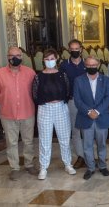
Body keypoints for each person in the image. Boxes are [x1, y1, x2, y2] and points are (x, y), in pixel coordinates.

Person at [0, 46, 38, 180]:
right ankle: (14, 168)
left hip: (27, 112)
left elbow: (35, 91)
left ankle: (29, 164)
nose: (15, 58)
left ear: (22, 57)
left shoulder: (30, 73)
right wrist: (6, 102)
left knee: (28, 141)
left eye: (18, 55)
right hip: (8, 114)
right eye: (12, 56)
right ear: (8, 57)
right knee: (11, 142)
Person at [32, 49, 76, 180]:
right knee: (45, 140)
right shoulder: (38, 76)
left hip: (61, 107)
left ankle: (68, 164)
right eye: (47, 59)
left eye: (52, 59)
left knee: (64, 138)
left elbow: (68, 91)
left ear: (56, 59)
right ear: (43, 60)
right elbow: (34, 94)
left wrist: (61, 101)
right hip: (45, 108)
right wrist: (45, 103)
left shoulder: (62, 74)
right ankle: (43, 167)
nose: (49, 61)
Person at [74, 56, 109, 180]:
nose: (91, 67)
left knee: (102, 144)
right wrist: (88, 111)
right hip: (86, 117)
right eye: (89, 65)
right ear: (85, 65)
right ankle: (90, 168)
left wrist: (97, 111)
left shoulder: (106, 80)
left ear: (99, 64)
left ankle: (102, 166)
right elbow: (77, 100)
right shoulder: (78, 80)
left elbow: (108, 98)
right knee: (87, 145)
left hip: (101, 116)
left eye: (94, 65)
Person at [59, 39, 86, 169]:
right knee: (75, 130)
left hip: (87, 102)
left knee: (87, 130)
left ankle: (88, 155)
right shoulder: (64, 65)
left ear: (81, 49)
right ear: (69, 50)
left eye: (77, 48)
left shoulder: (87, 64)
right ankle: (80, 156)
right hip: (72, 101)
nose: (75, 51)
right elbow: (61, 84)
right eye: (72, 49)